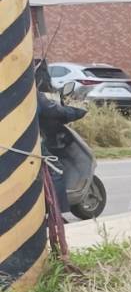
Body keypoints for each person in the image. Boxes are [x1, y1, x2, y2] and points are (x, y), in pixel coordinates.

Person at [35, 62, 85, 213]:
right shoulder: (29, 92)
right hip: (25, 144)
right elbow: (54, 111)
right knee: (56, 170)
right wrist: (76, 112)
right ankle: (57, 213)